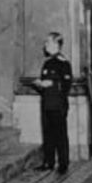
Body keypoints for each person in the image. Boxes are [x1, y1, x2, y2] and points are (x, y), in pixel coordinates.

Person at [33, 32, 73, 174]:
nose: (45, 45)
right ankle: (48, 162)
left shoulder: (64, 63)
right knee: (48, 134)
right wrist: (40, 84)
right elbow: (44, 82)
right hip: (46, 103)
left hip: (58, 104)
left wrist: (52, 83)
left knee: (60, 135)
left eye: (48, 42)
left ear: (56, 44)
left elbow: (67, 84)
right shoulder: (47, 63)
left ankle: (63, 164)